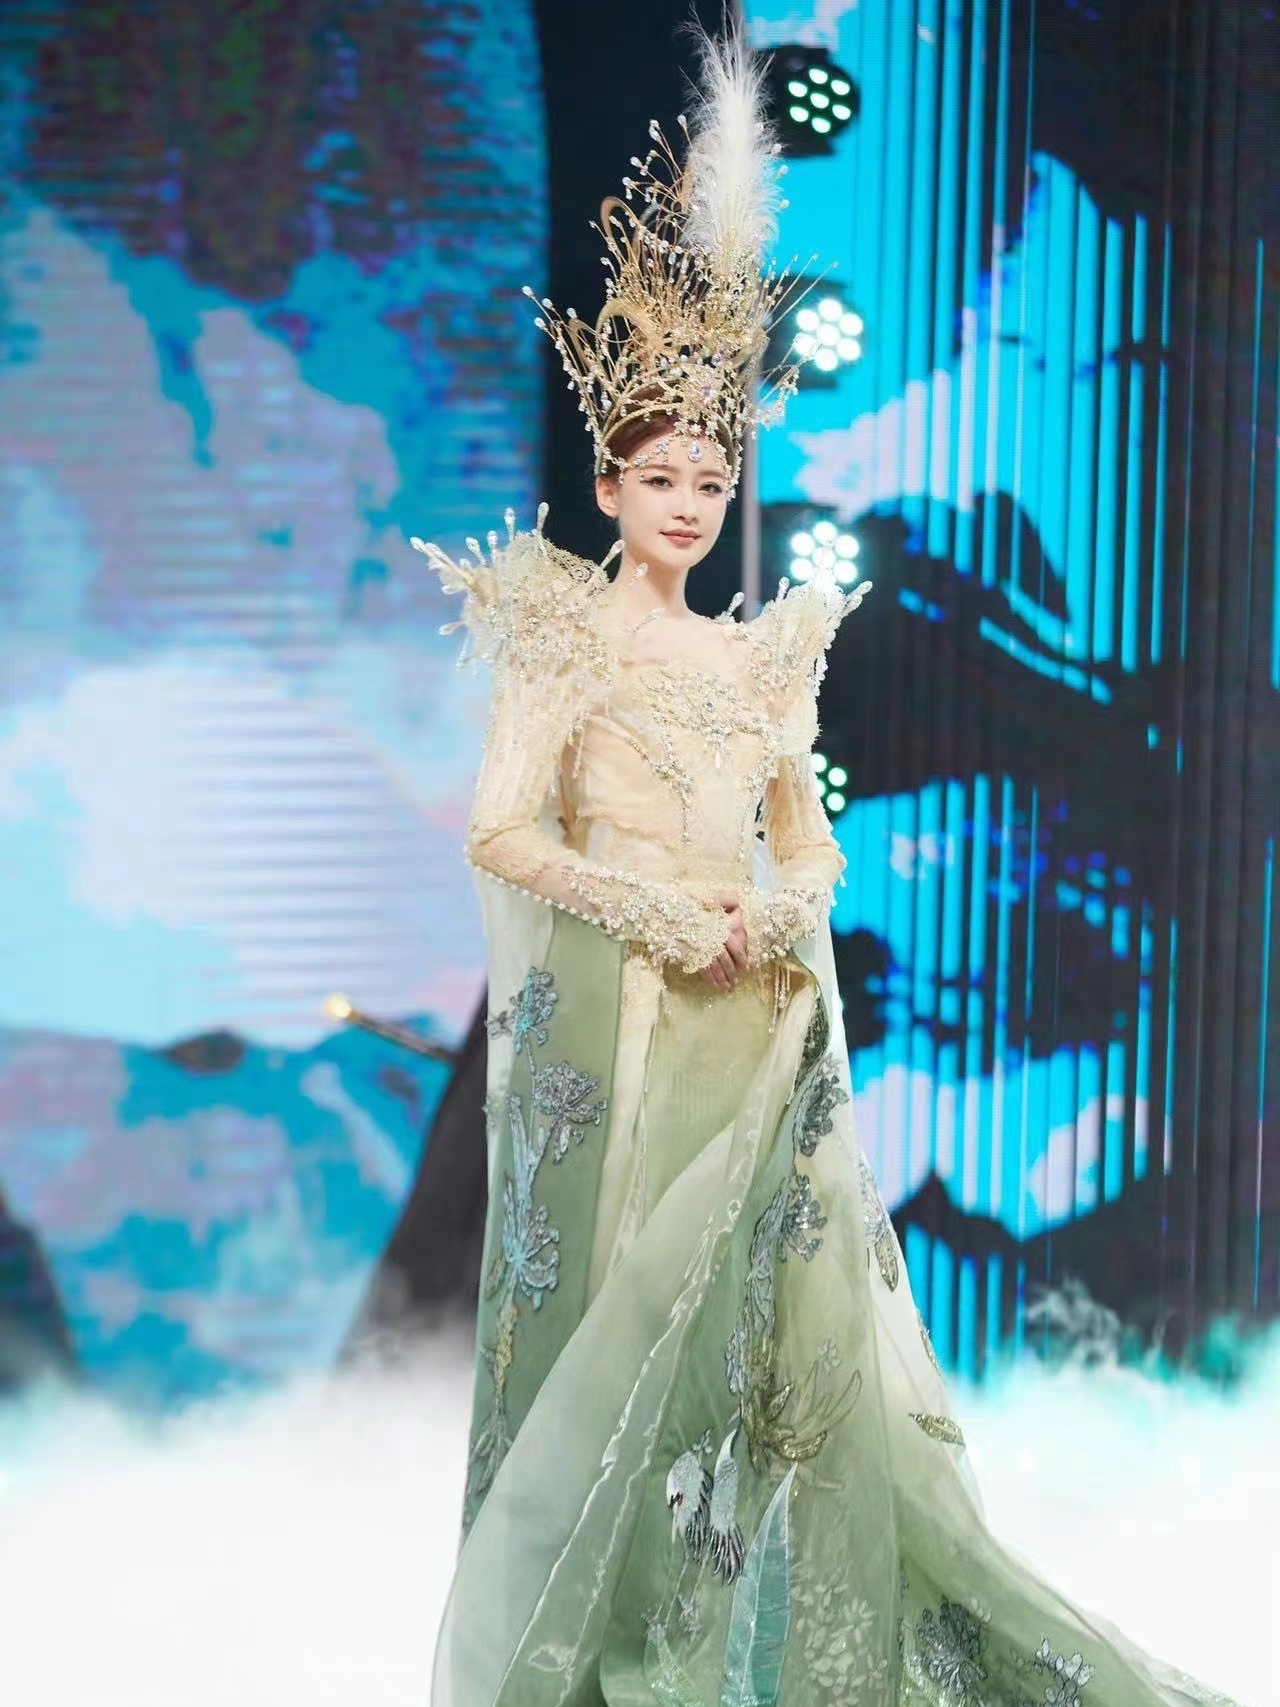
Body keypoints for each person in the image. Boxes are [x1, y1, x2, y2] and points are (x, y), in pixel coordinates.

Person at [412, 31, 1244, 1707]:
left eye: (712, 480)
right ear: (608, 484)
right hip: (633, 1032)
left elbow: (809, 837)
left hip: (762, 1022)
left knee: (774, 1372)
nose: (690, 506)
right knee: (623, 1351)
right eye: (661, 479)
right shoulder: (560, 644)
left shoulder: (766, 653)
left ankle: (760, 1652)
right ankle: (616, 1651)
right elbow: (504, 832)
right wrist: (664, 913)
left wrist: (783, 909)